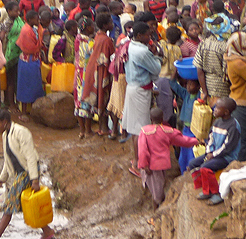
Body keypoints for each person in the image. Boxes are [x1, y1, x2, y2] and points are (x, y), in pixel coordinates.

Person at [0, 108, 55, 239]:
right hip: (20, 173)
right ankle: (48, 231)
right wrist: (2, 178)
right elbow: (8, 159)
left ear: (4, 122)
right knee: (28, 203)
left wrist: (35, 180)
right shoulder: (5, 135)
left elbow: (31, 156)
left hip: (27, 172)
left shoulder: (21, 132)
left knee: (9, 205)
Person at [138, 108, 199, 209]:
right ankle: (156, 212)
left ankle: (156, 212)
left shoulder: (145, 131)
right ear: (162, 118)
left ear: (150, 118)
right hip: (161, 165)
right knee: (158, 189)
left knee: (156, 190)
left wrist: (144, 165)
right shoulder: (168, 131)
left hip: (150, 166)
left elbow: (142, 150)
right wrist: (196, 141)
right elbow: (183, 141)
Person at [122, 22, 161, 177]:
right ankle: (140, 164)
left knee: (134, 127)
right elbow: (156, 69)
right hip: (140, 91)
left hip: (132, 87)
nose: (149, 37)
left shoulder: (129, 44)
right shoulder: (142, 52)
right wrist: (156, 55)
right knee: (141, 128)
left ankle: (137, 159)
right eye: (147, 35)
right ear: (139, 36)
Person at [189, 97, 240, 206]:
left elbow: (228, 147)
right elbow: (210, 138)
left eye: (217, 108)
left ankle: (216, 192)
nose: (214, 110)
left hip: (226, 157)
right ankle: (204, 187)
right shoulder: (217, 122)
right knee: (192, 164)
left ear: (226, 112)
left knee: (205, 167)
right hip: (214, 153)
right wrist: (208, 151)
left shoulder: (233, 126)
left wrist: (214, 155)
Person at [83, 13, 116, 137]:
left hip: (94, 69)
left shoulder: (97, 36)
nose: (112, 25)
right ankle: (106, 128)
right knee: (105, 98)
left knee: (101, 99)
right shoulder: (106, 40)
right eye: (110, 23)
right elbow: (111, 57)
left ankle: (104, 127)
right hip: (102, 71)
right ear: (105, 25)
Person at [194, 11, 231, 108]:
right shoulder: (226, 45)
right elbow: (228, 72)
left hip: (206, 89)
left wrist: (205, 91)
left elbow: (199, 69)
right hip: (222, 90)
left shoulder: (203, 43)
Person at [16, 10, 45, 120]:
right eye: (36, 19)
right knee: (25, 86)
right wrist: (39, 45)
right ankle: (23, 112)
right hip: (28, 62)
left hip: (34, 61)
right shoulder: (26, 31)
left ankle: (33, 110)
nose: (38, 21)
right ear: (29, 20)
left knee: (35, 86)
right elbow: (30, 48)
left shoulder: (35, 28)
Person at [170, 73, 200, 173]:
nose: (188, 86)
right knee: (184, 155)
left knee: (193, 154)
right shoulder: (185, 94)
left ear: (198, 86)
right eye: (187, 84)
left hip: (195, 131)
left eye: (191, 84)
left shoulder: (200, 97)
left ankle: (192, 173)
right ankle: (183, 173)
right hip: (185, 129)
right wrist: (175, 70)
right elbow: (173, 84)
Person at [225, 32, 246, 162]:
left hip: (237, 100)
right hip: (241, 103)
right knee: (242, 139)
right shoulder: (238, 63)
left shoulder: (232, 57)